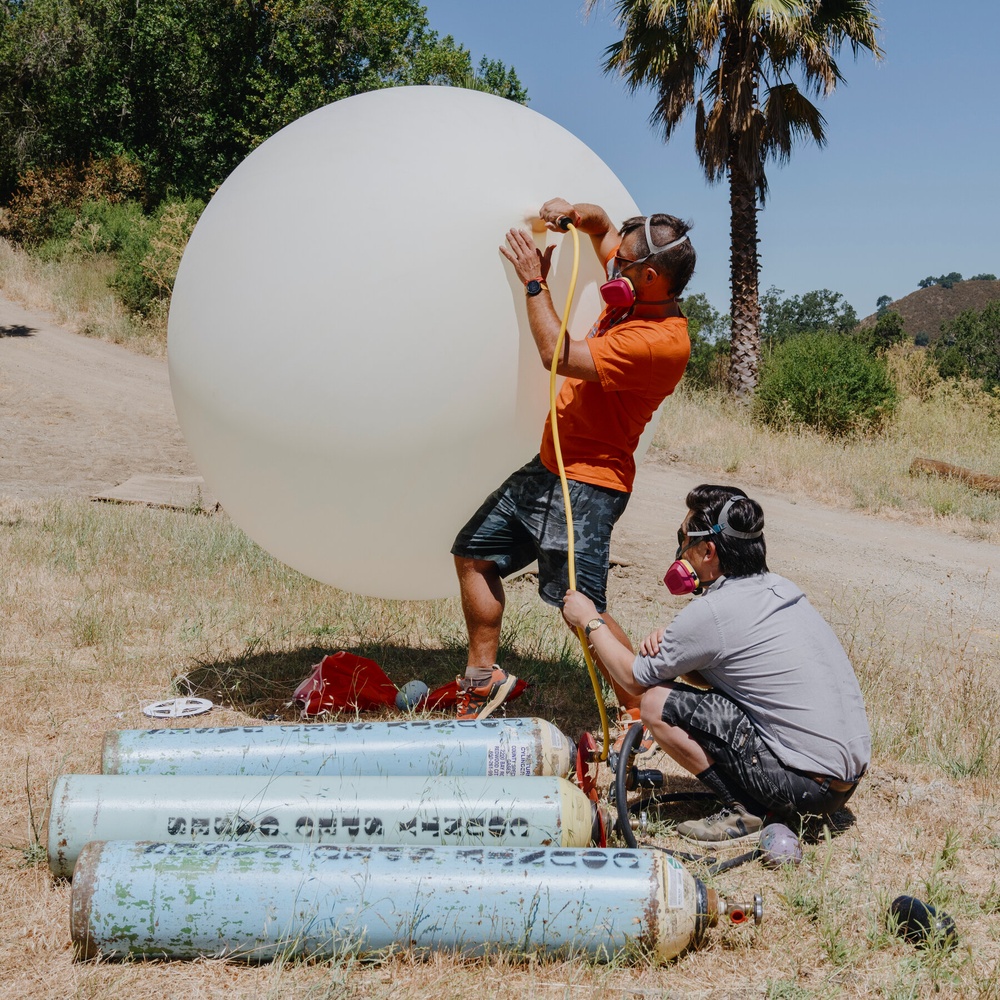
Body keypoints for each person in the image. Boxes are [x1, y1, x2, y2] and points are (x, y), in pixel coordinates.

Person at [451, 197, 695, 720]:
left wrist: (533, 283)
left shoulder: (659, 342)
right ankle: (483, 680)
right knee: (474, 553)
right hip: (549, 465)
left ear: (650, 276)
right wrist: (575, 214)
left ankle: (642, 705)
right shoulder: (637, 294)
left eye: (623, 265)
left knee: (578, 605)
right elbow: (603, 224)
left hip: (590, 483)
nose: (613, 267)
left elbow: (556, 355)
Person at [562, 484, 871, 845]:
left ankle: (745, 809)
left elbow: (633, 679)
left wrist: (589, 620)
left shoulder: (714, 612)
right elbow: (734, 673)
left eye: (683, 539)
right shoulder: (779, 589)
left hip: (805, 789)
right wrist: (683, 655)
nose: (679, 551)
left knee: (655, 702)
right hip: (840, 787)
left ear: (708, 551)